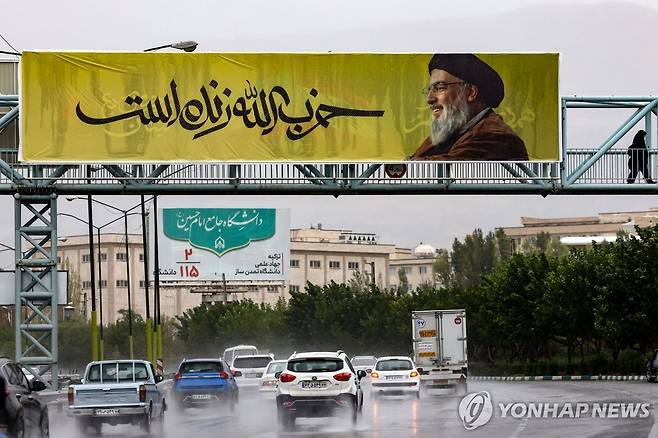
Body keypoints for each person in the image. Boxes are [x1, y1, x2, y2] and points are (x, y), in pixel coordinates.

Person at [410, 53, 529, 161]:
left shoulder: (497, 138)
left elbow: (445, 172)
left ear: (471, 93)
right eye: (430, 89)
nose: (429, 99)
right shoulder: (450, 132)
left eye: (440, 87)